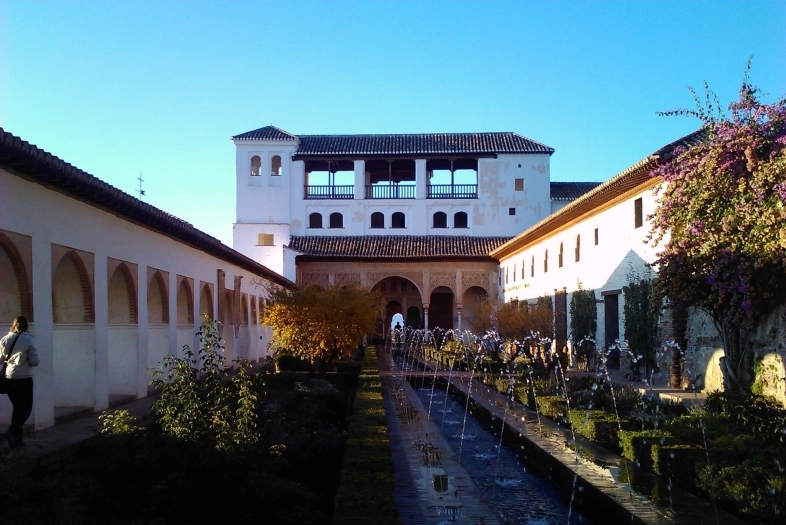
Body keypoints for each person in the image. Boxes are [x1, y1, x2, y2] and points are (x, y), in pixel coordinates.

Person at [1, 315, 39, 448]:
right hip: (24, 378)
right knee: (26, 409)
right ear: (26, 326)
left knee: (17, 408)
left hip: (9, 378)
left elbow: (1, 360)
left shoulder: (5, 339)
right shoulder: (29, 340)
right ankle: (12, 431)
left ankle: (17, 440)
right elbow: (35, 362)